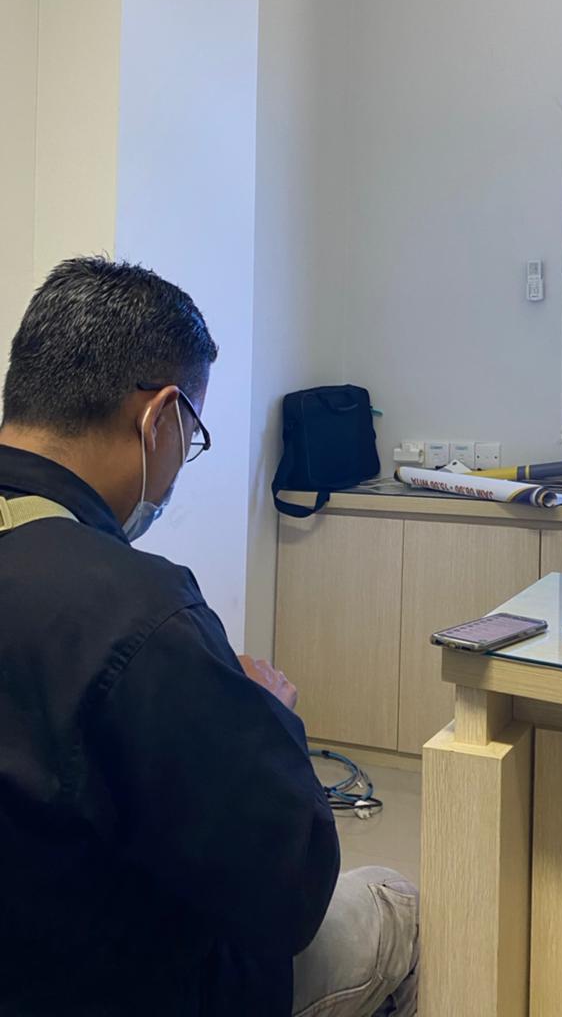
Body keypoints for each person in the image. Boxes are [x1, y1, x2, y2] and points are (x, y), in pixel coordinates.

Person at [0, 258, 418, 1016]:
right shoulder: (141, 611)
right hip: (122, 987)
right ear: (160, 418)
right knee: (394, 902)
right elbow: (287, 893)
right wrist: (271, 717)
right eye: (192, 433)